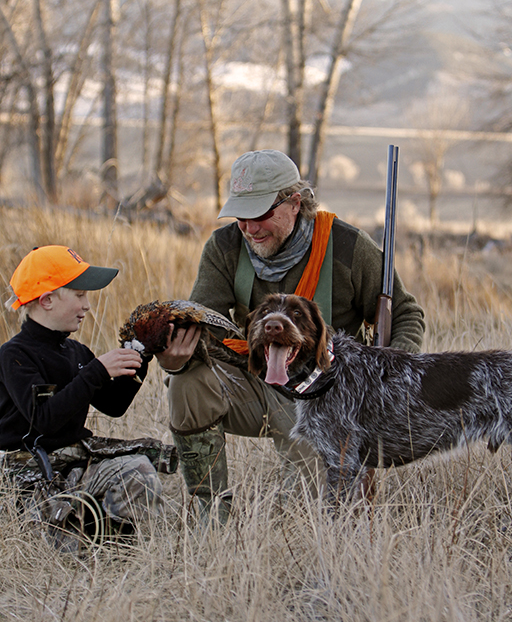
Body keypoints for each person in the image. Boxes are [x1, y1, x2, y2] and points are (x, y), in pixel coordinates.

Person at [157, 149, 425, 522]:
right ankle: (210, 514)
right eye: (241, 216)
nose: (250, 228)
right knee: (186, 384)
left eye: (261, 215)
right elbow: (204, 326)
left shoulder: (347, 246)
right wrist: (176, 360)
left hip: (326, 396)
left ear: (295, 202)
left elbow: (407, 313)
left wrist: (391, 373)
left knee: (306, 519)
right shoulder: (224, 248)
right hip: (255, 382)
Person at [0, 245, 172, 541]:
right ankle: (89, 528)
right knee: (67, 543)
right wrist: (98, 370)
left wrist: (140, 355)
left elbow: (113, 405)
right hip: (31, 476)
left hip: (76, 466)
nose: (87, 305)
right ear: (47, 300)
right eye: (79, 295)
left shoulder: (75, 351)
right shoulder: (16, 355)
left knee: (138, 468)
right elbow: (46, 419)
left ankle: (118, 546)